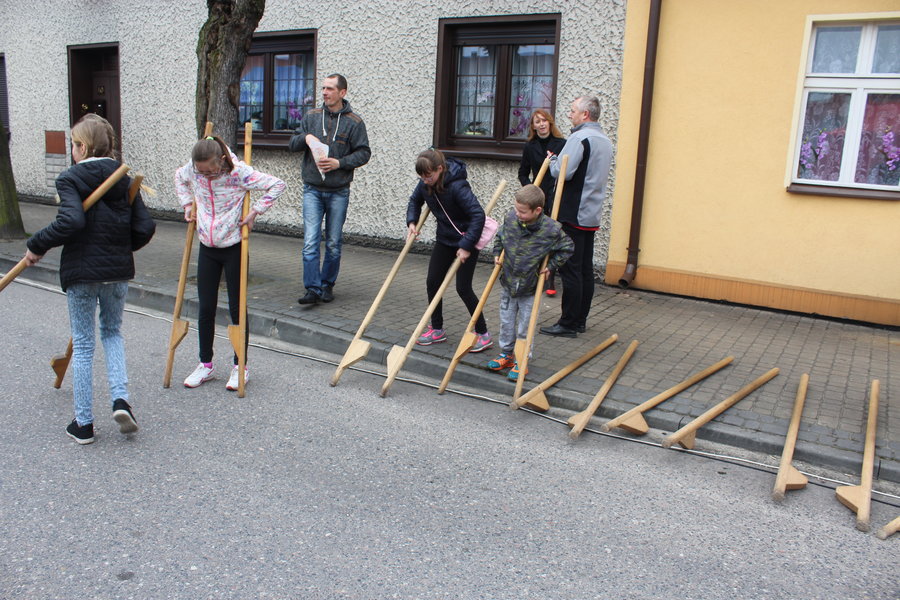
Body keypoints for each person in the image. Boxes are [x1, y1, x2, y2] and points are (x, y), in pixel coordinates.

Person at [24, 114, 156, 444]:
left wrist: (37, 244)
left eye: (72, 144)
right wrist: (119, 250)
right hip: (117, 273)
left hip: (82, 272)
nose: (71, 149)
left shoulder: (70, 177)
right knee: (111, 333)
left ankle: (83, 423)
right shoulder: (122, 177)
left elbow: (72, 222)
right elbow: (144, 228)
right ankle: (121, 400)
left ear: (82, 147)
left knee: (83, 345)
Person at [174, 135, 285, 390]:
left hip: (233, 245)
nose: (206, 176)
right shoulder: (193, 170)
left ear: (221, 160)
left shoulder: (239, 173)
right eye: (201, 172)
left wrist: (256, 211)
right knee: (205, 307)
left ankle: (240, 366)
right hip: (207, 245)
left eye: (210, 171)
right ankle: (205, 364)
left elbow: (277, 184)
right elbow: (179, 178)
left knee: (237, 308)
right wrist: (188, 204)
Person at [289, 73, 371, 305]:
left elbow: (364, 152)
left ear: (342, 93)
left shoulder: (354, 121)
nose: (324, 92)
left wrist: (340, 163)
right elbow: (292, 144)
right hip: (312, 189)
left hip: (338, 191)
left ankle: (327, 285)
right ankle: (312, 288)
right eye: (323, 88)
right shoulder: (311, 116)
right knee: (310, 241)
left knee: (333, 242)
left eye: (330, 89)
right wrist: (305, 138)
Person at [540, 95, 613, 338]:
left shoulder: (580, 137)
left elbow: (563, 171)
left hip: (573, 211)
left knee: (571, 269)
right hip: (591, 212)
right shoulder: (604, 140)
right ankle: (580, 319)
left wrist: (552, 161)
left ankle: (568, 323)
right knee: (584, 269)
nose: (569, 114)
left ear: (585, 115)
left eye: (572, 111)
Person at [406, 149, 492, 352]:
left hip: (466, 240)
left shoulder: (458, 187)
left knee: (463, 288)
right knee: (433, 282)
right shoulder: (425, 184)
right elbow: (414, 201)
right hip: (445, 239)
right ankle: (437, 329)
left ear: (440, 169)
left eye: (429, 176)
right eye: (421, 176)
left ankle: (483, 334)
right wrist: (412, 221)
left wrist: (466, 247)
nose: (425, 180)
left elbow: (477, 216)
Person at [487, 185, 573, 381]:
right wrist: (495, 254)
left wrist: (551, 265)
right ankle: (506, 354)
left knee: (526, 326)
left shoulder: (551, 230)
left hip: (530, 286)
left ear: (537, 210)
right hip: (508, 282)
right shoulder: (511, 219)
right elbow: (500, 237)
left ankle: (522, 359)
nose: (517, 214)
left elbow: (567, 248)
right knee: (507, 322)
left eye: (522, 212)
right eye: (516, 209)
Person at [517, 109, 566, 296]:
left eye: (544, 120)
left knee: (552, 235)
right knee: (535, 236)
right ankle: (532, 274)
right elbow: (522, 172)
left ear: (550, 123)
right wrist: (530, 190)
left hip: (555, 195)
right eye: (537, 121)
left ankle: (550, 277)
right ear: (533, 126)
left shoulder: (562, 144)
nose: (541, 124)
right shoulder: (530, 146)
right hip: (537, 197)